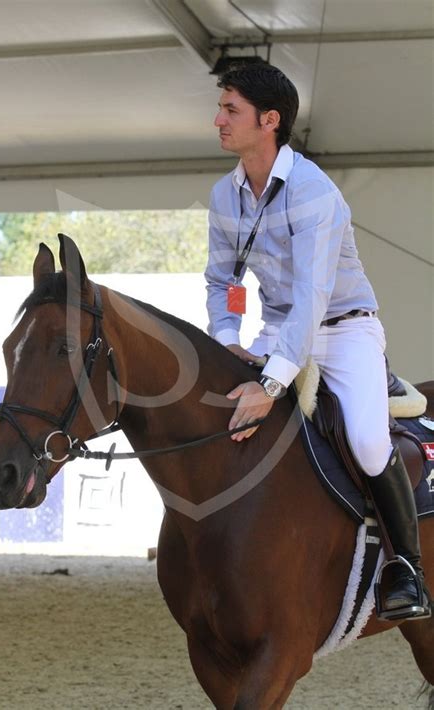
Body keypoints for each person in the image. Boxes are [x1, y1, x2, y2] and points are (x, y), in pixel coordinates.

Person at [204, 61, 431, 621]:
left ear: (270, 120)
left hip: (345, 329)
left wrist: (270, 382)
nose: (218, 120)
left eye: (231, 110)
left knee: (370, 443)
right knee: (219, 419)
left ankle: (408, 570)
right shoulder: (224, 195)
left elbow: (312, 297)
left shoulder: (313, 192)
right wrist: (228, 340)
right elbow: (226, 281)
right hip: (278, 327)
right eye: (221, 108)